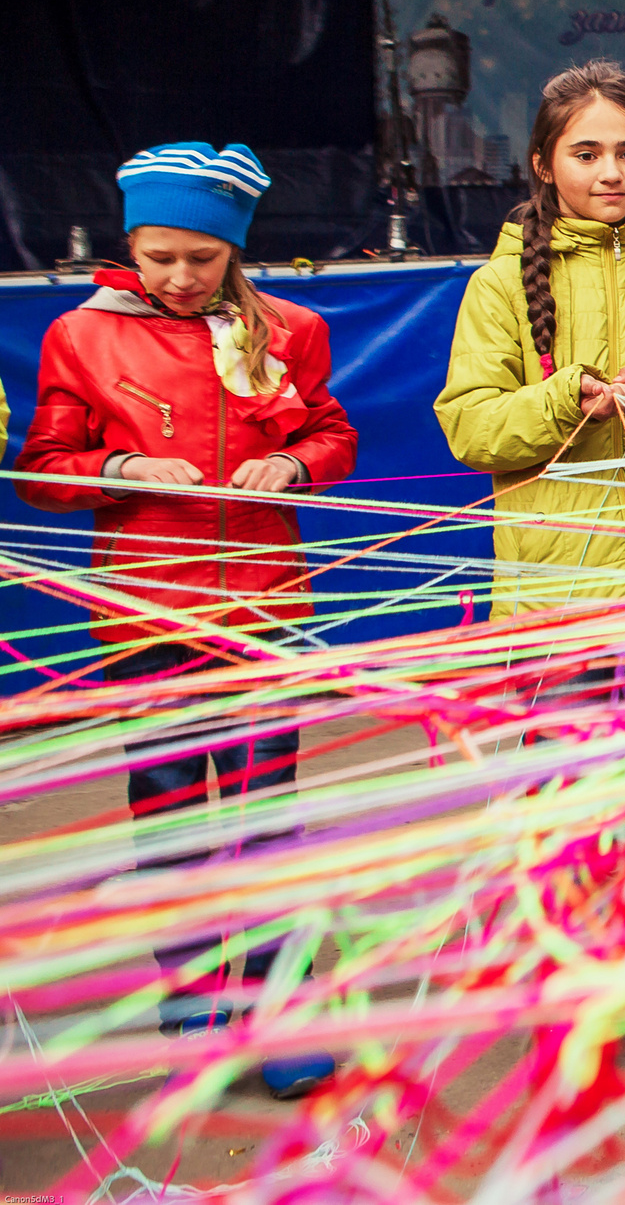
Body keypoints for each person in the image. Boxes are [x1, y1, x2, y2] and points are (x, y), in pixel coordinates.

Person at [16, 142, 355, 1099]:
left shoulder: (288, 328)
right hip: (145, 614)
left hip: (263, 611)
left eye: (200, 258)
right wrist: (117, 471)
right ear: (131, 241)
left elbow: (331, 433)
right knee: (166, 817)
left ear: (234, 251)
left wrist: (294, 466)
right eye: (159, 254)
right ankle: (193, 1004)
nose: (176, 276)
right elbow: (44, 463)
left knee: (264, 814)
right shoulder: (81, 336)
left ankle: (279, 1003)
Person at [436, 63, 625, 614]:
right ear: (544, 166)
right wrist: (562, 401)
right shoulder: (500, 284)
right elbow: (471, 429)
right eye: (586, 155)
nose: (612, 173)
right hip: (556, 597)